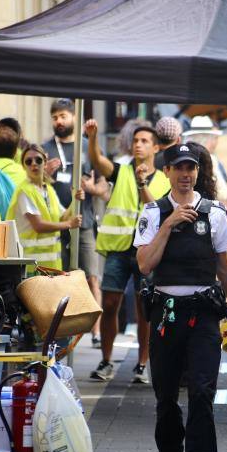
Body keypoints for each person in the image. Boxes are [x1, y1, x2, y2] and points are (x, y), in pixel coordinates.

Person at [134, 143, 227, 452]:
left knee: (202, 394)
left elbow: (224, 267)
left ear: (198, 172)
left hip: (203, 316)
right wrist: (168, 224)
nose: (186, 173)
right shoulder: (153, 213)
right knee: (166, 397)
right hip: (166, 314)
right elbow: (144, 265)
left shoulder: (214, 213)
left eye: (192, 167)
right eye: (179, 167)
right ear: (166, 172)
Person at [85, 119, 171, 383]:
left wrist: (143, 183)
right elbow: (98, 161)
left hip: (147, 252)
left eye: (145, 141)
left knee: (145, 309)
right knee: (110, 304)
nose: (138, 145)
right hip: (119, 250)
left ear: (156, 147)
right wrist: (92, 137)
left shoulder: (164, 179)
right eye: (135, 141)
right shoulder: (121, 171)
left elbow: (157, 209)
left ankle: (142, 363)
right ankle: (106, 361)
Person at [43, 98, 107, 345]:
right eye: (55, 117)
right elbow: (32, 183)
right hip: (55, 223)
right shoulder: (45, 149)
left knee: (92, 276)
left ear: (73, 118)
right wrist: (44, 174)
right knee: (59, 276)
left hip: (85, 221)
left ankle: (96, 332)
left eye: (63, 116)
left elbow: (105, 186)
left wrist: (93, 188)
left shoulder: (86, 148)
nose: (59, 121)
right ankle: (61, 329)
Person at [5, 144, 83, 275]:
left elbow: (63, 217)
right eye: (28, 162)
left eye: (38, 160)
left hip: (51, 266)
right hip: (30, 267)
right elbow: (38, 225)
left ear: (45, 162)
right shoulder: (24, 191)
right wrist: (69, 224)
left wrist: (75, 200)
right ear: (24, 166)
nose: (34, 164)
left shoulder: (49, 190)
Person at [184, 115, 227, 241]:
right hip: (209, 221)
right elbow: (222, 197)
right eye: (215, 138)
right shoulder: (211, 161)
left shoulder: (183, 157)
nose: (216, 142)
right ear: (208, 138)